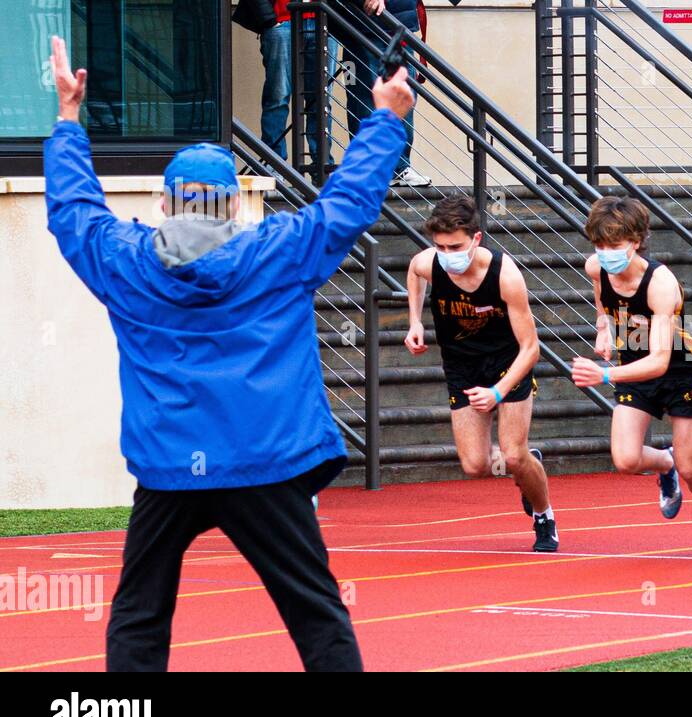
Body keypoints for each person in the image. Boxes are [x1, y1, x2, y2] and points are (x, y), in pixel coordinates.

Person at [44, 35, 414, 670]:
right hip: (264, 463)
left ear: (164, 203)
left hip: (168, 468)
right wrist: (385, 119)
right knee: (315, 611)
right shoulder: (278, 250)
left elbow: (73, 212)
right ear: (236, 204)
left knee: (140, 615)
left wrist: (69, 120)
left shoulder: (125, 261)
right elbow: (346, 204)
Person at [570, 197, 692, 557]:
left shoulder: (661, 284)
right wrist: (604, 329)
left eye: (615, 245)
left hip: (680, 368)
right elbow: (602, 302)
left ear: (637, 240)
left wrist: (604, 374)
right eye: (600, 245)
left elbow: (659, 361)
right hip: (632, 359)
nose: (606, 253)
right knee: (625, 459)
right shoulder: (597, 268)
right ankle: (665, 462)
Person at [404, 195, 556, 552]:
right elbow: (414, 269)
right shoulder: (431, 263)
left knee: (513, 453)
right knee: (475, 465)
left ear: (475, 239)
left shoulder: (504, 274)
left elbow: (531, 348)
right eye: (439, 246)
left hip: (507, 362)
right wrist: (415, 321)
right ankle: (528, 467)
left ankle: (544, 515)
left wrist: (499, 392)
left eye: (454, 246)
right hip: (462, 365)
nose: (446, 253)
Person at [338, 0, 431, 186]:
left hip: (399, 24)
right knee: (367, 100)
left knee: (404, 99)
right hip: (367, 25)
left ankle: (399, 167)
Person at [258, 0, 339, 166]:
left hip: (323, 19)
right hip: (282, 21)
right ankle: (274, 164)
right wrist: (269, 20)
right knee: (277, 96)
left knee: (321, 100)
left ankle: (321, 166)